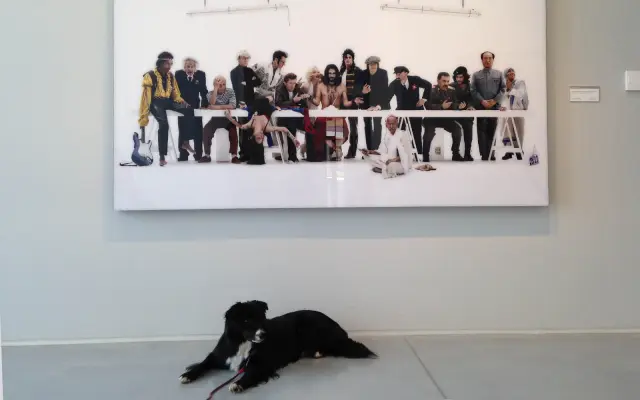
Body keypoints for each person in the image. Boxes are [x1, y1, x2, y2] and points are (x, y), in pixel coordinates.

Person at [138, 51, 191, 166]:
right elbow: (146, 98)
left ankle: (185, 141)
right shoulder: (150, 76)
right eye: (167, 64)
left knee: (188, 110)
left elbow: (175, 94)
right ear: (160, 64)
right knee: (163, 124)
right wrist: (144, 116)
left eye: (171, 64)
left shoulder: (170, 76)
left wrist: (182, 102)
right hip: (155, 102)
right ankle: (162, 156)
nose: (169, 66)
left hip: (167, 101)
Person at [224, 98, 299, 165]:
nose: (261, 136)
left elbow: (239, 125)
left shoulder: (250, 124)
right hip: (267, 103)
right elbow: (284, 129)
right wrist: (294, 139)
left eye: (258, 138)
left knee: (256, 98)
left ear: (253, 137)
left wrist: (229, 117)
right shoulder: (267, 128)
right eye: (262, 139)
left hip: (255, 103)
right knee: (269, 98)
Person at [314, 64, 356, 161]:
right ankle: (335, 149)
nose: (332, 75)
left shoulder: (342, 86)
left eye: (333, 73)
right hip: (324, 114)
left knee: (339, 126)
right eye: (330, 73)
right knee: (322, 128)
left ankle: (336, 149)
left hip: (336, 114)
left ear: (337, 74)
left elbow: (345, 103)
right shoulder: (320, 86)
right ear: (326, 74)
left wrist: (354, 101)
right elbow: (317, 102)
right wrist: (307, 97)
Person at [387, 66, 432, 156]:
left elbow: (428, 85)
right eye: (396, 74)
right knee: (399, 133)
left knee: (416, 133)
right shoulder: (394, 84)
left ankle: (418, 155)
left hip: (415, 110)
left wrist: (424, 99)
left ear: (406, 73)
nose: (397, 76)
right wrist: (378, 106)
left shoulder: (415, 79)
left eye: (399, 73)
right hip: (401, 111)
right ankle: (398, 155)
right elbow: (387, 98)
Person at [471, 51, 506, 160]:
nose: (487, 60)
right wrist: (482, 101)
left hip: (494, 107)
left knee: (492, 129)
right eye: (485, 58)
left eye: (490, 58)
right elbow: (473, 90)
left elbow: (503, 89)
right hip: (481, 107)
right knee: (481, 131)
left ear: (493, 60)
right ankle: (484, 155)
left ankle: (491, 154)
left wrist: (494, 101)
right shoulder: (476, 75)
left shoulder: (499, 74)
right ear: (482, 60)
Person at [423, 72, 464, 162]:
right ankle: (425, 155)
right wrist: (441, 107)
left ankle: (455, 154)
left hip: (446, 119)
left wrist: (458, 106)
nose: (446, 83)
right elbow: (427, 105)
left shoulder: (451, 91)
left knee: (457, 129)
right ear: (438, 81)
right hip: (432, 119)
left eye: (448, 81)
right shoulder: (430, 90)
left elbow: (454, 103)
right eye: (444, 81)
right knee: (429, 133)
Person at [230, 50, 262, 162]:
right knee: (242, 126)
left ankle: (251, 152)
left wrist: (247, 83)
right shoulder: (234, 72)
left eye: (247, 58)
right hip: (240, 101)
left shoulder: (250, 70)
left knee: (251, 126)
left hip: (251, 102)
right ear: (239, 59)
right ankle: (243, 153)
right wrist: (249, 82)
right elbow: (237, 87)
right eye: (244, 58)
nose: (246, 60)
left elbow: (258, 82)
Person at [175, 57, 209, 161]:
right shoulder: (179, 74)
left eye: (192, 66)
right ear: (184, 67)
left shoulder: (200, 75)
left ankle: (198, 154)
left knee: (198, 129)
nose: (189, 68)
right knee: (182, 126)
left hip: (195, 104)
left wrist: (205, 104)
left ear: (195, 68)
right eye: (187, 66)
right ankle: (183, 154)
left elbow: (203, 91)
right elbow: (175, 90)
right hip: (182, 104)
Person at [199, 76, 239, 164]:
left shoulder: (230, 92)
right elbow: (212, 103)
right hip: (216, 119)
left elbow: (232, 105)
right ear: (214, 85)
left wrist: (216, 107)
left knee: (233, 132)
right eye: (219, 84)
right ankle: (207, 155)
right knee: (206, 129)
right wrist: (215, 90)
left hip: (228, 119)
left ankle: (234, 156)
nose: (222, 86)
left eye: (224, 84)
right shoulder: (210, 94)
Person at [274, 73, 310, 162]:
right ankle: (292, 155)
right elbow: (279, 104)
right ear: (285, 83)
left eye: (294, 83)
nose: (293, 85)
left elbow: (304, 105)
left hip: (296, 119)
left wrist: (303, 99)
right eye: (290, 83)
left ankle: (307, 154)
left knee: (311, 127)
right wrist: (293, 101)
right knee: (291, 126)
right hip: (283, 119)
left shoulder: (297, 89)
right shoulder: (279, 90)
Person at [358, 55, 390, 150]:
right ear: (367, 65)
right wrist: (362, 91)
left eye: (375, 65)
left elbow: (385, 90)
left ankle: (376, 148)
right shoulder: (362, 74)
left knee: (377, 124)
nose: (373, 67)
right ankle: (370, 148)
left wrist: (379, 105)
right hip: (366, 103)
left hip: (378, 103)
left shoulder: (383, 73)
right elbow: (357, 89)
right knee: (367, 124)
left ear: (377, 65)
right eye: (371, 65)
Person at [339, 49, 364, 159]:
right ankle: (336, 149)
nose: (348, 59)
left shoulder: (357, 71)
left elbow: (359, 86)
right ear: (343, 59)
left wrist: (356, 99)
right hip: (341, 101)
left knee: (353, 126)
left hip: (353, 102)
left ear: (353, 59)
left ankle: (352, 151)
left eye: (350, 57)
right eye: (346, 57)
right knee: (336, 124)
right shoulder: (341, 71)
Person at [502, 67, 529, 160]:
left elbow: (520, 94)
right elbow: (505, 98)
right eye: (509, 72)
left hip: (519, 109)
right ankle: (509, 151)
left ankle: (519, 151)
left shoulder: (520, 82)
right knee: (508, 131)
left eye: (512, 71)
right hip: (509, 111)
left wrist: (510, 89)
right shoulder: (505, 85)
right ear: (506, 76)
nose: (511, 73)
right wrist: (507, 90)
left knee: (519, 130)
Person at [451, 66, 475, 161]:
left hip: (467, 114)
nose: (459, 79)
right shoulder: (451, 86)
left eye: (461, 77)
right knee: (456, 130)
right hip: (454, 114)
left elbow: (474, 99)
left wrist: (470, 106)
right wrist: (458, 106)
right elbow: (450, 99)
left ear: (465, 77)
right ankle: (455, 153)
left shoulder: (471, 86)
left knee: (468, 128)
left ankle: (467, 154)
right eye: (457, 77)